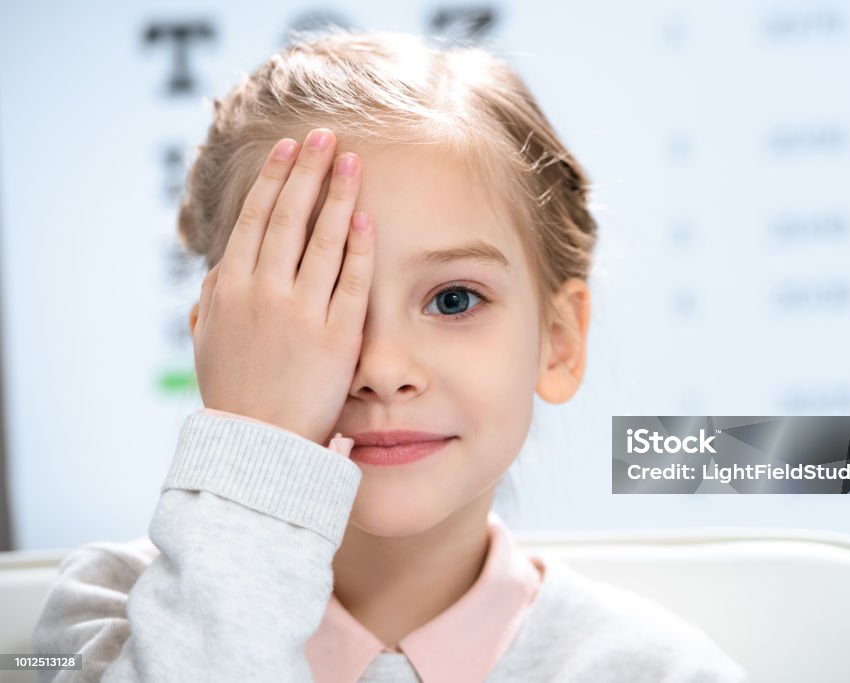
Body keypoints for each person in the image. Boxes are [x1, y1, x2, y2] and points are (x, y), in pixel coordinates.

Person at [31, 27, 748, 682]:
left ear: (559, 342)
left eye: (455, 300)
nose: (382, 368)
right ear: (222, 345)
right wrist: (256, 444)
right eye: (318, 299)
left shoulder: (657, 670)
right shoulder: (108, 618)